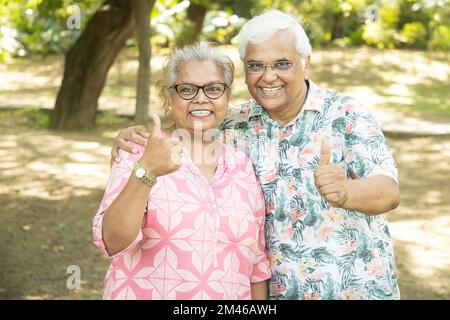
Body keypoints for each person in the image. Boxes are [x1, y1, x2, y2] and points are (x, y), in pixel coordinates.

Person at [110, 10, 401, 300]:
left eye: (282, 64)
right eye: (256, 65)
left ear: (306, 63)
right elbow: (193, 114)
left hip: (354, 289)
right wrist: (136, 138)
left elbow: (388, 191)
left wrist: (347, 191)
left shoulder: (346, 113)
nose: (268, 76)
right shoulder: (235, 124)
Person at [93, 41, 271, 300]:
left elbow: (255, 265)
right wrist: (147, 171)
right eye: (187, 89)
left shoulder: (242, 166)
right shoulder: (138, 151)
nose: (201, 98)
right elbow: (112, 242)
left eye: (213, 89)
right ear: (169, 97)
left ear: (226, 96)